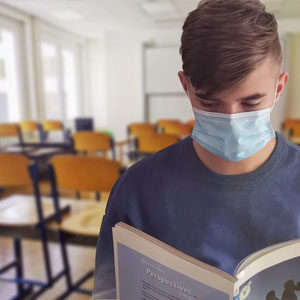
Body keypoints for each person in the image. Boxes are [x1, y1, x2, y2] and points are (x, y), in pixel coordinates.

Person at [92, 0, 300, 299]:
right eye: (210, 103)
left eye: (250, 103)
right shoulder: (138, 189)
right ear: (186, 87)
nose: (231, 118)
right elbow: (108, 292)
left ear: (279, 88)